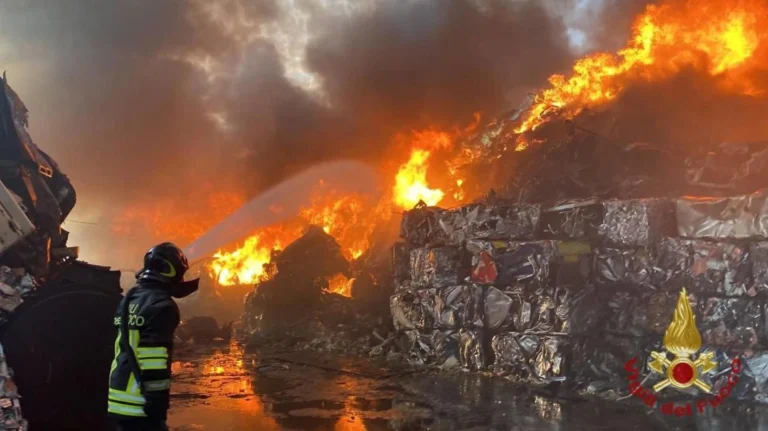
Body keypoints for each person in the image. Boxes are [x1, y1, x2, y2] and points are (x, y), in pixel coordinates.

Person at [107, 243, 199, 431]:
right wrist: (157, 403)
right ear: (169, 270)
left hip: (118, 395)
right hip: (140, 401)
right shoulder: (162, 305)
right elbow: (153, 359)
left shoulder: (131, 298)